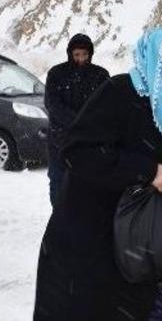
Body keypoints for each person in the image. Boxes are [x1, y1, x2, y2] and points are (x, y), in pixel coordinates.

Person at [33, 28, 162, 321]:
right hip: (89, 243)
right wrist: (148, 171)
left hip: (137, 243)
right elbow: (80, 152)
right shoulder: (120, 92)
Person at [44, 33, 110, 207]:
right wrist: (76, 122)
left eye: (85, 55)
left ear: (90, 54)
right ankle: (58, 221)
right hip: (60, 140)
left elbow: (106, 106)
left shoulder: (100, 75)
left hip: (89, 142)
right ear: (70, 54)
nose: (81, 59)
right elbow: (52, 104)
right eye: (77, 55)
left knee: (87, 184)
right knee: (58, 181)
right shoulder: (57, 74)